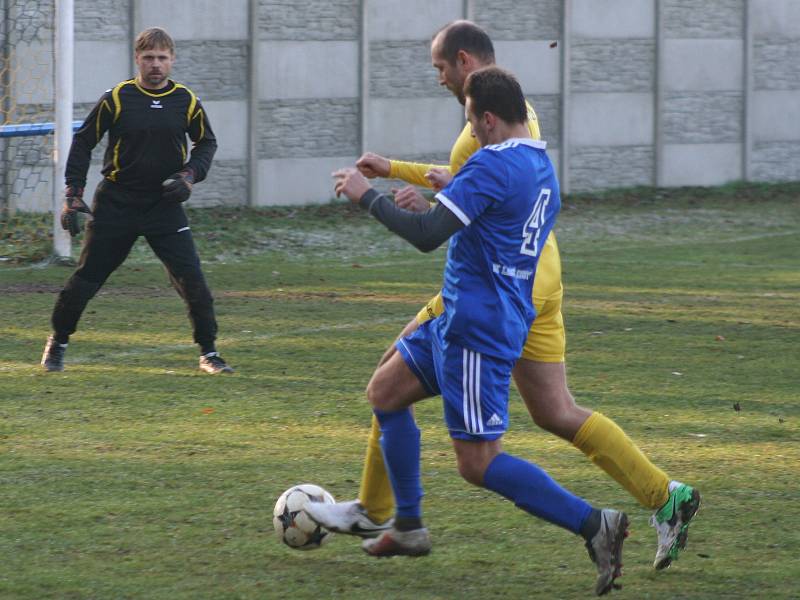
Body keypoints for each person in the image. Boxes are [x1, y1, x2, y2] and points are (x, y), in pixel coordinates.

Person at [306, 20, 699, 571]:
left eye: (441, 69)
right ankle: (665, 495)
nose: (440, 80)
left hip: (487, 298)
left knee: (474, 456)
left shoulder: (483, 144)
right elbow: (468, 184)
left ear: (468, 74)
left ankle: (390, 511)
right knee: (542, 408)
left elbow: (449, 209)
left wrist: (375, 194)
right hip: (536, 281)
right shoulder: (528, 135)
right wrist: (416, 180)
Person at [332, 66, 628, 596]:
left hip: (478, 328)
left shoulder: (491, 167)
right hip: (461, 315)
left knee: (478, 462)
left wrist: (365, 196)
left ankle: (594, 525)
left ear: (488, 119)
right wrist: (450, 186)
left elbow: (427, 234)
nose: (470, 130)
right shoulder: (538, 163)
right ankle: (409, 526)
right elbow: (491, 213)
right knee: (385, 392)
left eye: (471, 120)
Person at [40, 27, 233, 375]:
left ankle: (209, 353)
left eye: (162, 58)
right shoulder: (116, 98)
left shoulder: (187, 101)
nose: (155, 65)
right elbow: (84, 142)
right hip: (116, 203)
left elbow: (206, 144)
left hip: (164, 204)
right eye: (149, 58)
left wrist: (189, 175)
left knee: (192, 279)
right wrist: (73, 193)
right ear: (137, 60)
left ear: (172, 60)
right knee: (87, 279)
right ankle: (58, 343)